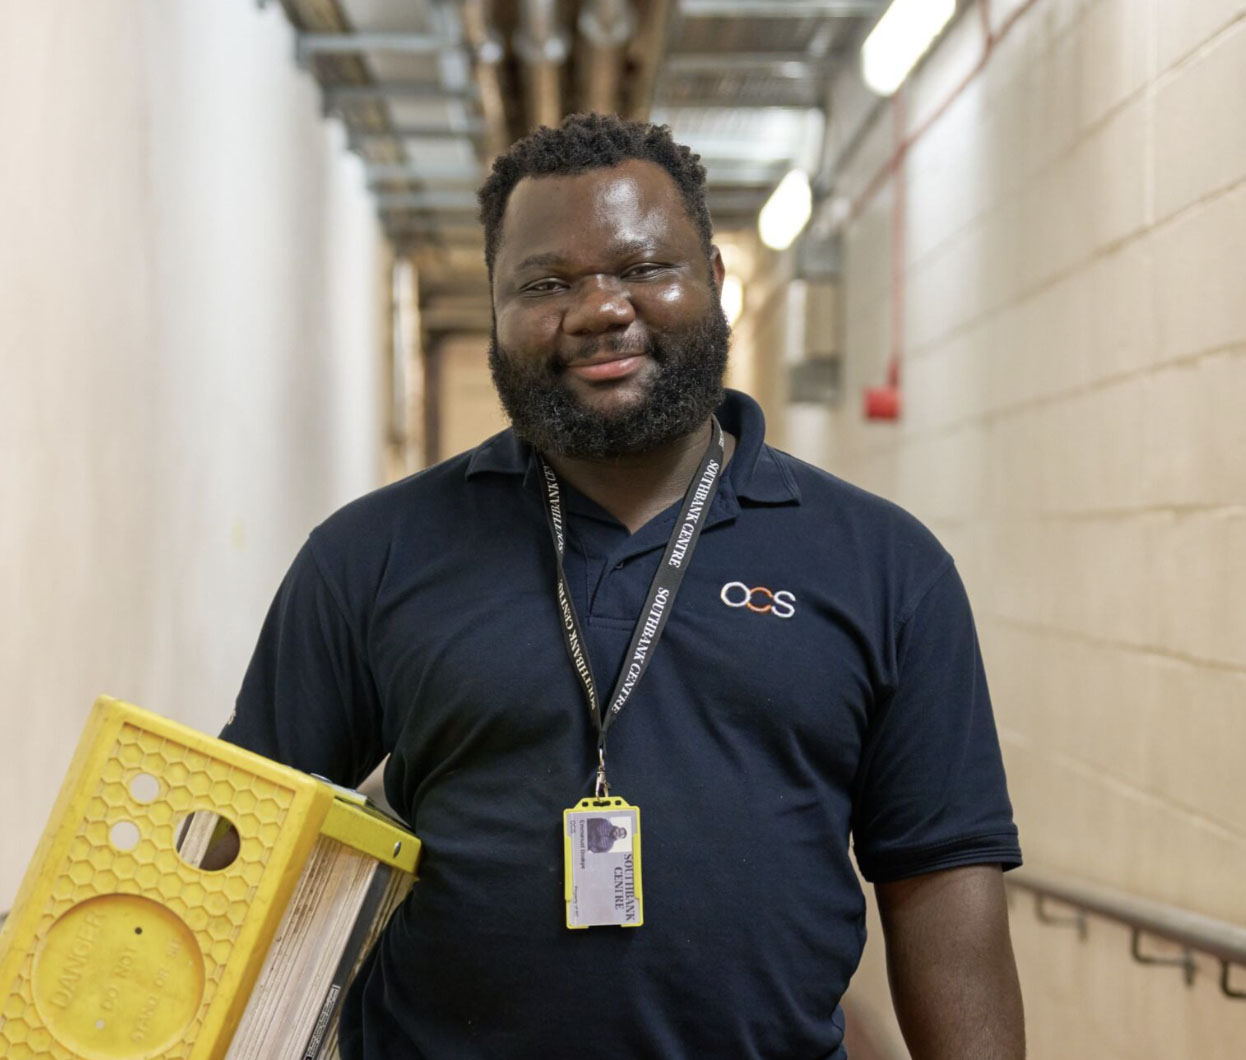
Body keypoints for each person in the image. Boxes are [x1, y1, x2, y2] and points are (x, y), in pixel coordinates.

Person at [223, 113, 1024, 1059]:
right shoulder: (372, 555)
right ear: (496, 306)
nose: (601, 308)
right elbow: (244, 848)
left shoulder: (884, 566)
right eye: (547, 282)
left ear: (717, 284)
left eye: (644, 269)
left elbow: (940, 885)